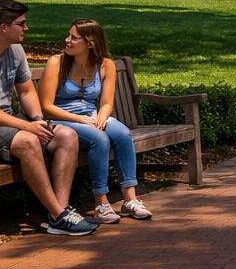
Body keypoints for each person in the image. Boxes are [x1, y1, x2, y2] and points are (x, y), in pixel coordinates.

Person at [0, 0, 96, 236]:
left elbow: (25, 90)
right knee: (28, 141)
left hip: (3, 125)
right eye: (21, 24)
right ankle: (58, 214)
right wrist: (27, 127)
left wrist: (36, 119)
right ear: (4, 28)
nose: (26, 28)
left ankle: (61, 213)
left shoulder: (15, 51)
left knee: (67, 136)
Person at [40, 19, 152, 223]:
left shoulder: (105, 65)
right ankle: (101, 203)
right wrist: (80, 119)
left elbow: (107, 102)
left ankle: (130, 200)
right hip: (62, 119)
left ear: (90, 43)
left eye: (74, 38)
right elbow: (46, 106)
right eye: (68, 35)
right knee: (99, 139)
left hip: (91, 117)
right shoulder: (56, 62)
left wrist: (101, 116)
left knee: (122, 134)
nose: (67, 40)